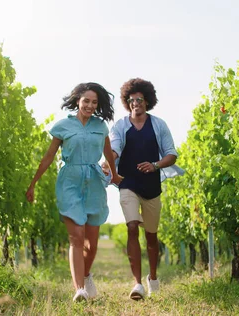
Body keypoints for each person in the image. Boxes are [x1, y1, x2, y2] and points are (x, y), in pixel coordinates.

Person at [26, 82, 123, 302]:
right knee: (76, 237)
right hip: (69, 180)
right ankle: (79, 288)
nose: (90, 105)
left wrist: (115, 175)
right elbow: (49, 156)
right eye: (86, 101)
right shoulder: (63, 126)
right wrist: (33, 183)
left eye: (94, 102)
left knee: (92, 243)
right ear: (77, 101)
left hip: (94, 182)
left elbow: (108, 153)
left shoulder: (100, 127)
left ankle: (86, 275)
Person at [103, 78, 184, 300]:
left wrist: (155, 164)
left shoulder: (158, 125)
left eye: (139, 99)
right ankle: (137, 284)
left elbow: (171, 153)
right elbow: (115, 146)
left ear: (147, 101)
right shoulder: (120, 125)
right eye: (131, 100)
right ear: (127, 103)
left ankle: (153, 277)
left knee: (151, 236)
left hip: (152, 187)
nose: (135, 103)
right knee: (131, 226)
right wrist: (109, 162)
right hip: (127, 183)